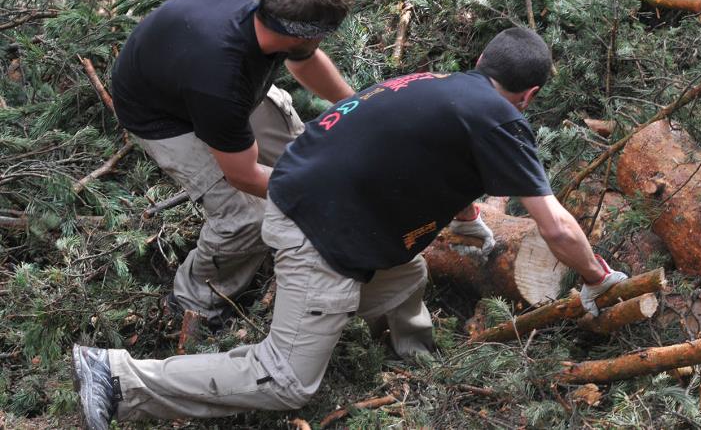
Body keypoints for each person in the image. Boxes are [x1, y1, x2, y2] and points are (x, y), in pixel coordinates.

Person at [73, 27, 627, 428]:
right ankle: (120, 378)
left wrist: (469, 220)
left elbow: (442, 163)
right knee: (287, 381)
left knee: (407, 271)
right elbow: (555, 226)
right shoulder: (501, 118)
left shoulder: (430, 84)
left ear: (482, 59)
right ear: (529, 96)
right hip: (322, 231)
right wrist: (599, 278)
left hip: (302, 193)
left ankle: (416, 361)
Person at [110, 0, 356, 328]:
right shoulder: (220, 80)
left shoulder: (277, 1)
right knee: (248, 218)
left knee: (300, 158)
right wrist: (316, 193)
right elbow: (242, 175)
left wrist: (356, 103)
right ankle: (193, 302)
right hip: (159, 113)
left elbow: (304, 60)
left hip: (198, 78)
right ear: (303, 34)